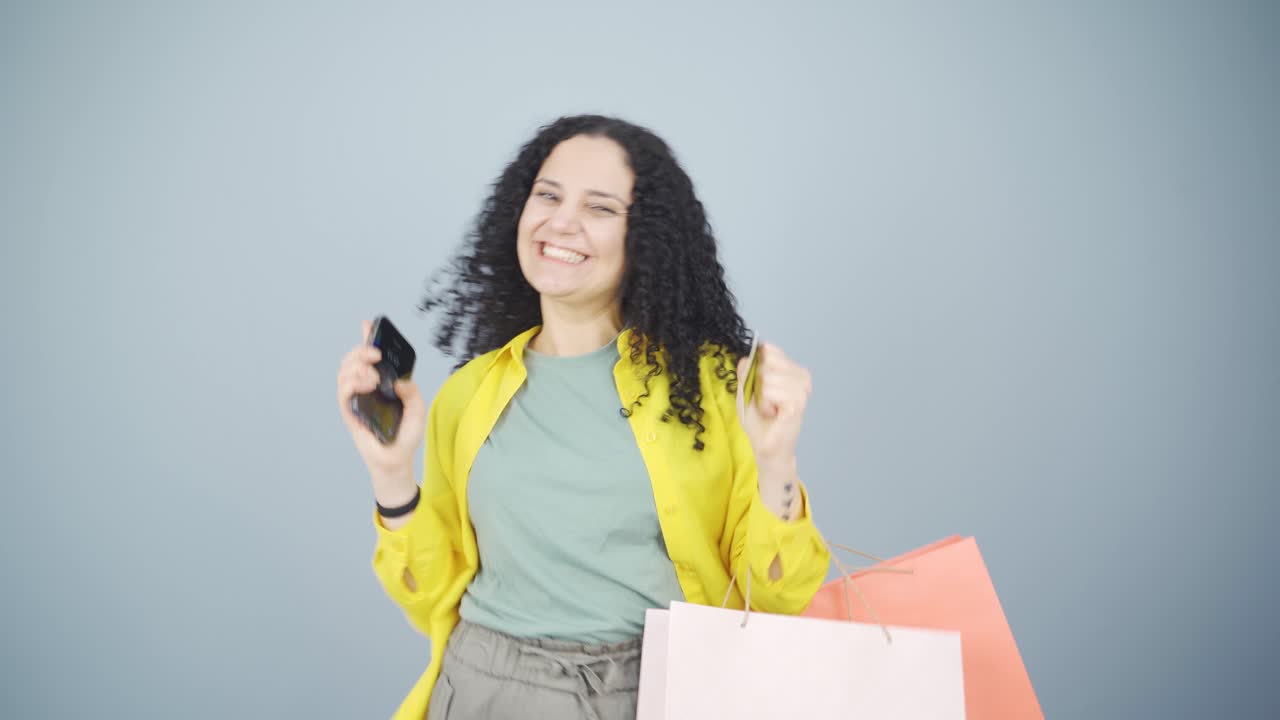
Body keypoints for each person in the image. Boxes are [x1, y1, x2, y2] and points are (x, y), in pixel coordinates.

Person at [335, 114, 831, 720]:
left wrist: (777, 460)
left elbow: (777, 595)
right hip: (487, 690)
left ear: (644, 238)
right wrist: (390, 474)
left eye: (599, 208)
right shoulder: (468, 394)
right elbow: (432, 598)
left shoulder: (712, 388)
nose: (561, 222)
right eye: (547, 195)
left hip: (659, 692)